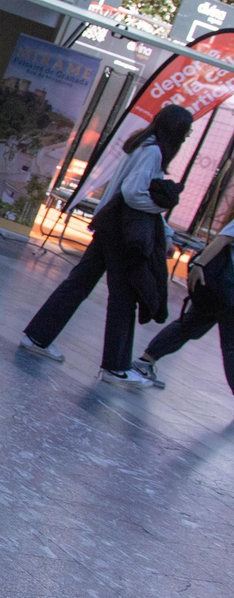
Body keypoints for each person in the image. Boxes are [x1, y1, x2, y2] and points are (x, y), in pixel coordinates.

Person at [22, 105, 193, 390]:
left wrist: (163, 228)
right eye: (185, 133)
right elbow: (134, 194)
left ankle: (37, 336)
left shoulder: (142, 145)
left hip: (110, 226)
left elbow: (126, 190)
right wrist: (160, 209)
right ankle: (115, 366)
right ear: (175, 131)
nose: (186, 138)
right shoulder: (153, 152)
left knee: (78, 283)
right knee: (123, 297)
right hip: (122, 232)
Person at [134, 219, 234, 392]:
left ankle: (145, 361)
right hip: (226, 286)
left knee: (189, 325)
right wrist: (199, 264)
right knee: (228, 344)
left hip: (222, 288)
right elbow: (223, 239)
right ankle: (145, 362)